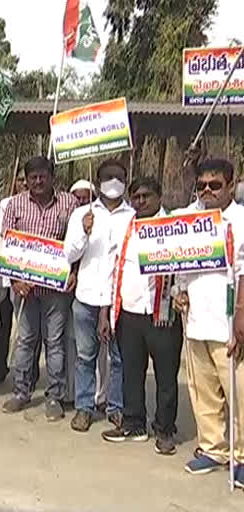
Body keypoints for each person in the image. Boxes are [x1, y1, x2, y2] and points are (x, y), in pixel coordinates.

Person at [98, 176, 183, 456]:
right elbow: (112, 270)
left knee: (166, 376)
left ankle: (165, 429)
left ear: (159, 196)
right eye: (135, 197)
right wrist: (106, 313)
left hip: (163, 313)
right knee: (131, 373)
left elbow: (186, 265)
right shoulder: (126, 227)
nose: (141, 201)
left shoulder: (174, 226)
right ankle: (134, 424)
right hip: (130, 314)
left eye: (146, 196)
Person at [175, 159, 244, 485]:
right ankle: (212, 448)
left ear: (231, 185)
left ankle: (241, 456)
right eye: (201, 185)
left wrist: (242, 313)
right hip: (197, 318)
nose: (207, 191)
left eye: (214, 185)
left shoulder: (241, 220)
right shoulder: (191, 220)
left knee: (239, 392)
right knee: (202, 391)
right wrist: (180, 291)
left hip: (230, 321)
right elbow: (181, 266)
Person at [0, 157, 78, 420]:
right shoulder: (15, 204)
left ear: (51, 176)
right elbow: (7, 244)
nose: (37, 181)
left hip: (56, 289)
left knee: (54, 343)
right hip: (25, 289)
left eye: (42, 176)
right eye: (32, 177)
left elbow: (76, 244)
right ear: (26, 179)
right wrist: (15, 280)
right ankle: (21, 392)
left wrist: (73, 273)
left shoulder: (69, 203)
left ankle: (54, 396)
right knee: (24, 341)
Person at [64, 159, 134, 432]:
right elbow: (69, 254)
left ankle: (116, 408)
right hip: (86, 296)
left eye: (118, 177)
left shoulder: (133, 215)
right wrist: (83, 230)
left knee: (118, 358)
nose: (113, 182)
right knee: (85, 356)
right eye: (108, 177)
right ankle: (84, 408)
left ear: (125, 180)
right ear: (98, 181)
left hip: (120, 299)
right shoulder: (83, 213)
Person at [0, 171, 29, 386]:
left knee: (27, 329)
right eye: (20, 179)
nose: (23, 183)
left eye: (26, 179)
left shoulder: (41, 207)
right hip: (5, 274)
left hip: (31, 274)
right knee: (1, 324)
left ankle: (27, 373)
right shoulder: (4, 205)